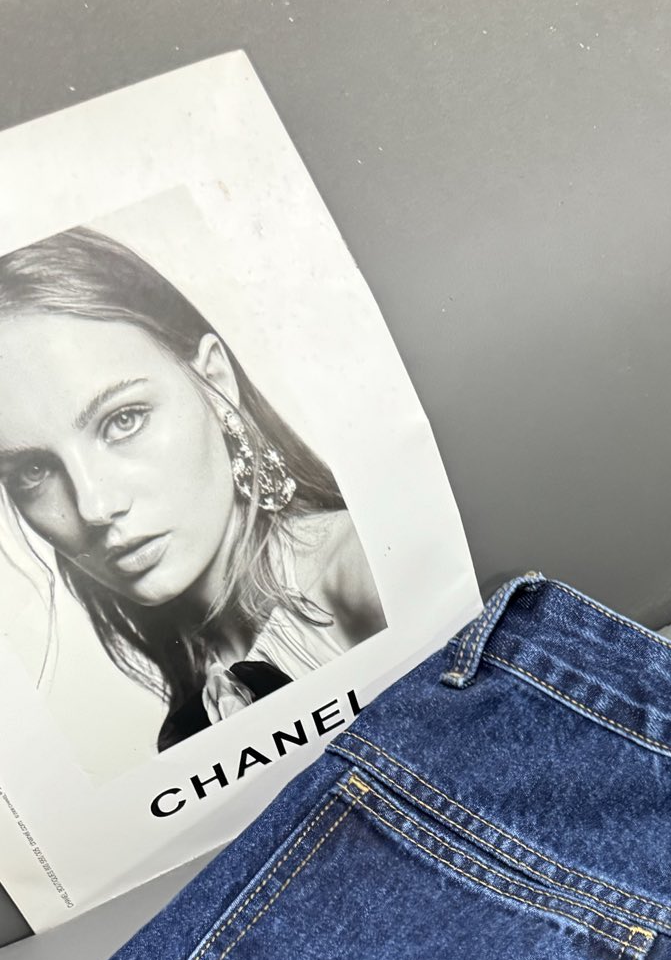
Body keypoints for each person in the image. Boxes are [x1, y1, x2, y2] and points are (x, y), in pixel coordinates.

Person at [0, 224, 385, 751]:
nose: (93, 506)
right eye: (32, 471)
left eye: (124, 420)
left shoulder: (363, 571)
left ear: (215, 381)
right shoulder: (188, 721)